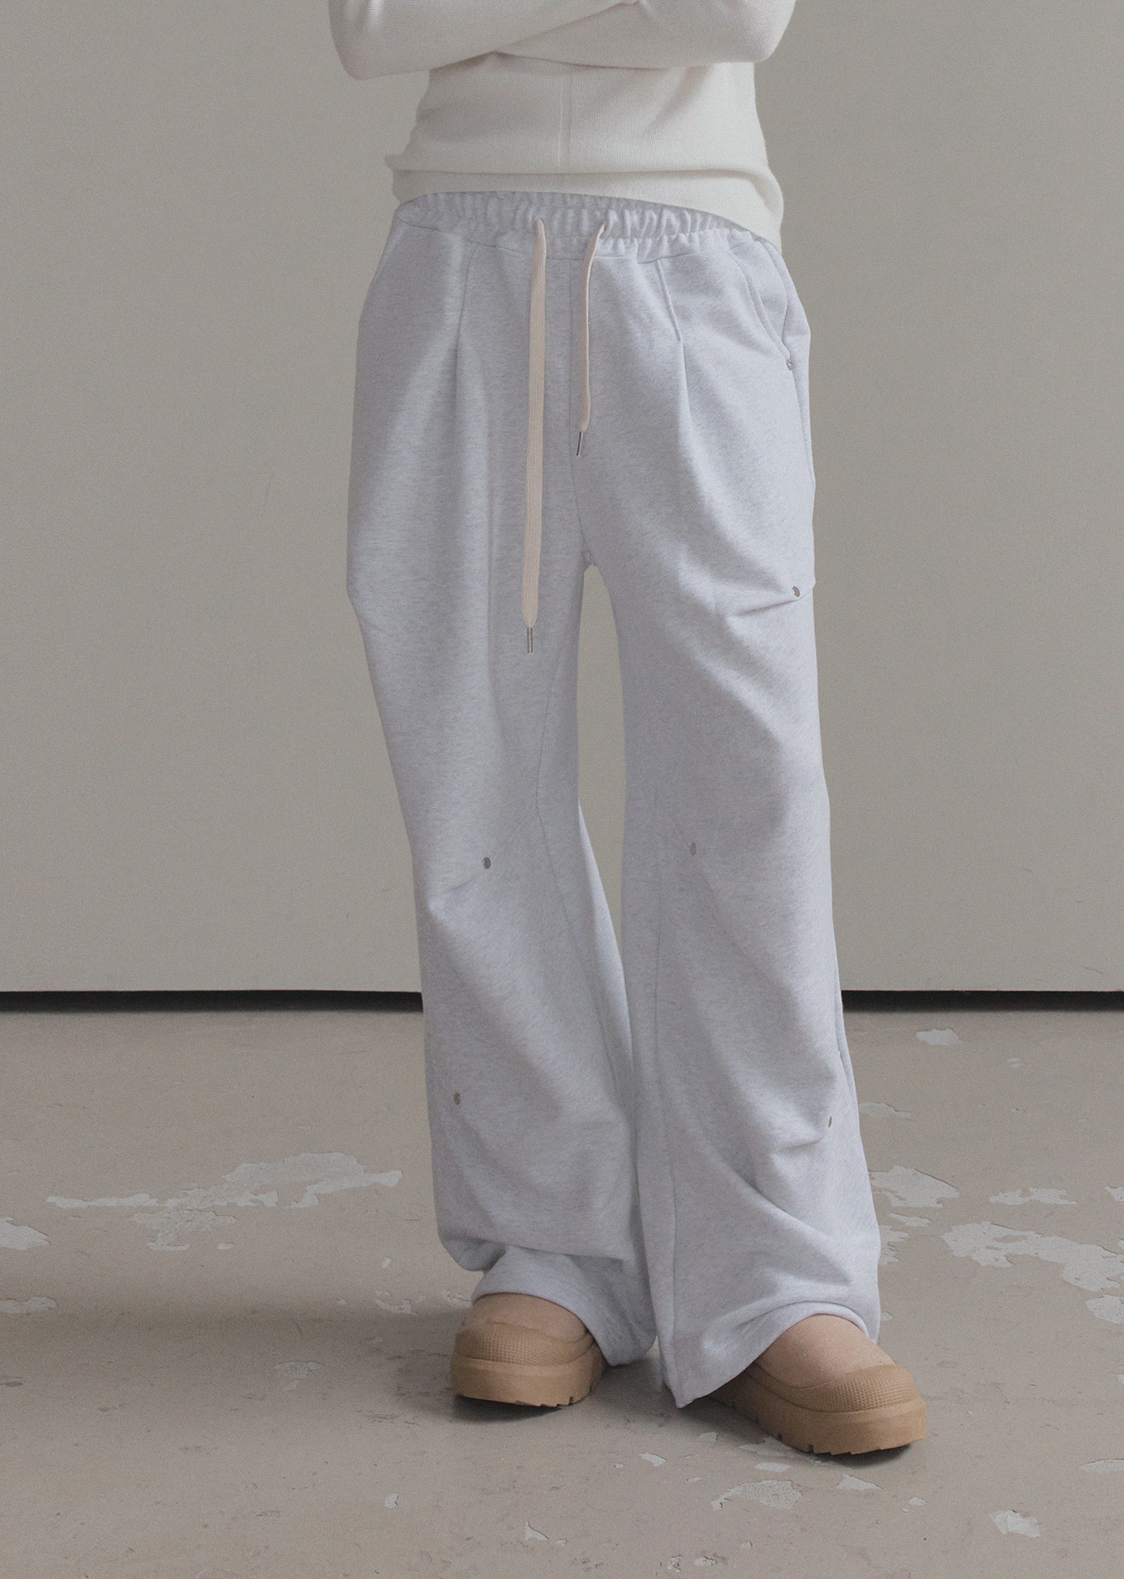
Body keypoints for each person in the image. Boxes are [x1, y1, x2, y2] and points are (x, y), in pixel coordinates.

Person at [330, 0, 927, 1455]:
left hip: (695, 263)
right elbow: (371, 25)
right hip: (457, 254)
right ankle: (554, 1241)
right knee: (471, 779)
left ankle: (779, 1269)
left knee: (746, 778)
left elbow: (736, 14)